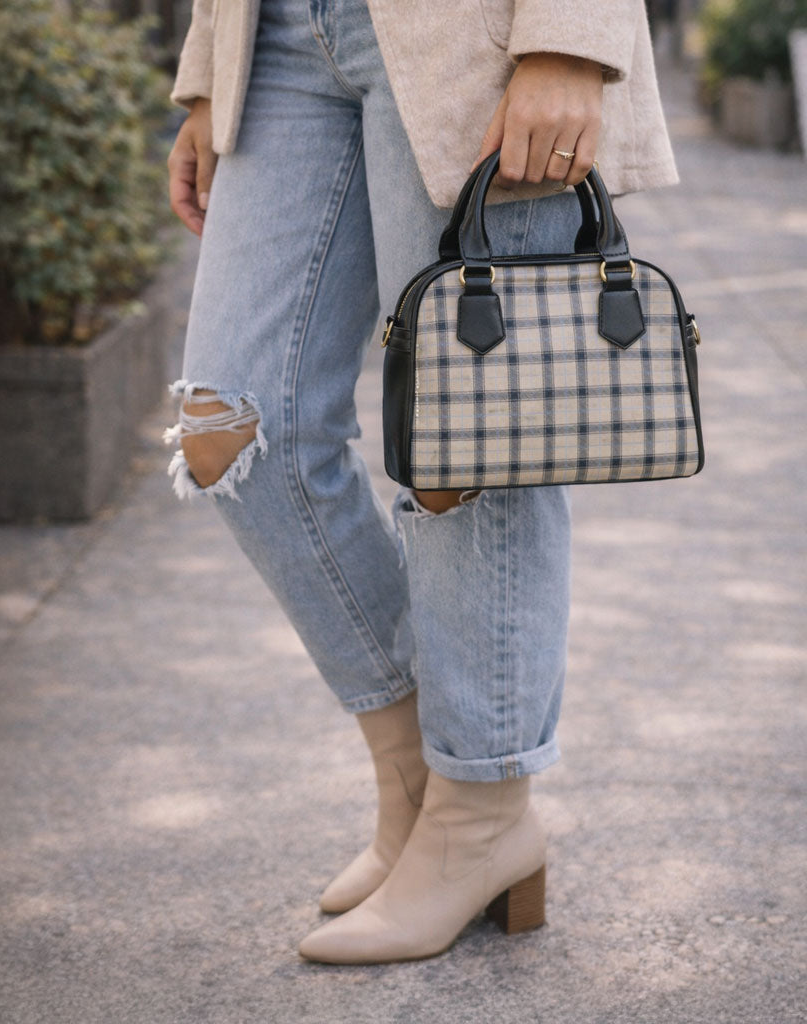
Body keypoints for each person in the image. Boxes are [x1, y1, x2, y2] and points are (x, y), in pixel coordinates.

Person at [164, 0, 677, 964]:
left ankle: (481, 811)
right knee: (230, 424)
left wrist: (572, 37)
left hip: (471, 28)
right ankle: (414, 783)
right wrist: (205, 69)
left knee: (469, 448)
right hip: (271, 35)